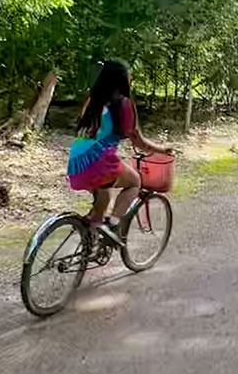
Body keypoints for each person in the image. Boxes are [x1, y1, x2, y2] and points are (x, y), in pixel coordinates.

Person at [66, 59, 172, 245]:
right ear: (122, 78)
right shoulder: (123, 104)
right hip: (98, 161)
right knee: (134, 181)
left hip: (76, 161)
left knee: (102, 201)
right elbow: (137, 140)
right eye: (129, 74)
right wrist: (161, 149)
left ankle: (90, 239)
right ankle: (113, 225)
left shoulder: (92, 100)